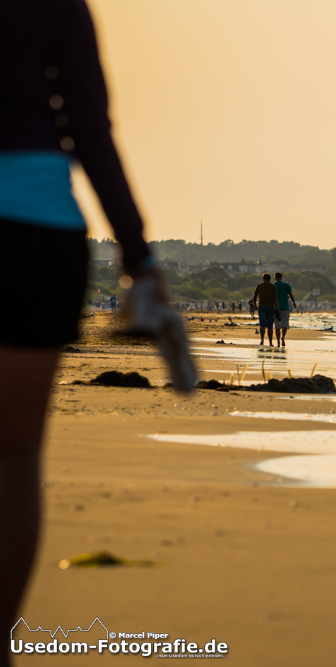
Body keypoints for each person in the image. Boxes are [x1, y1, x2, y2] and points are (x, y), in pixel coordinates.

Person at [0, 0, 190, 651]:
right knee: (14, 455)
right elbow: (89, 127)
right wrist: (137, 255)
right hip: (37, 230)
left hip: (35, 231)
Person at [252, 273, 279, 346]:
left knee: (262, 324)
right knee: (270, 326)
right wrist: (278, 308)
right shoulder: (273, 286)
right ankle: (270, 342)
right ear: (270, 279)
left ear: (263, 279)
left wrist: (255, 305)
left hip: (262, 307)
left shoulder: (259, 286)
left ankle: (262, 340)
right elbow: (274, 298)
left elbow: (255, 296)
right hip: (270, 307)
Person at [273, 272, 297, 347]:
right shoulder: (286, 285)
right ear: (281, 278)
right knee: (284, 325)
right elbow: (291, 295)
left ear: (275, 278)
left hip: (276, 308)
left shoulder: (273, 285)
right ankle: (283, 337)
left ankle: (278, 342)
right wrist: (294, 303)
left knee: (277, 326)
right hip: (285, 308)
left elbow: (272, 297)